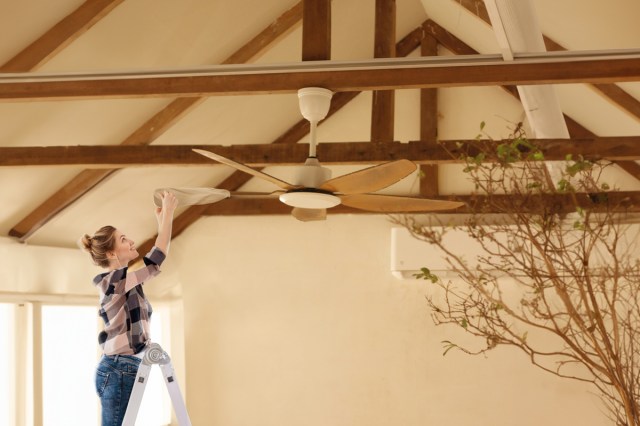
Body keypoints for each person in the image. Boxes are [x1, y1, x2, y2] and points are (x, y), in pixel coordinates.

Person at [79, 191, 178, 426]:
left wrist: (162, 220)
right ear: (112, 253)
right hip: (117, 369)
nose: (131, 241)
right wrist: (168, 215)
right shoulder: (112, 282)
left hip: (123, 367)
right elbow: (156, 260)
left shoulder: (127, 284)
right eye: (124, 239)